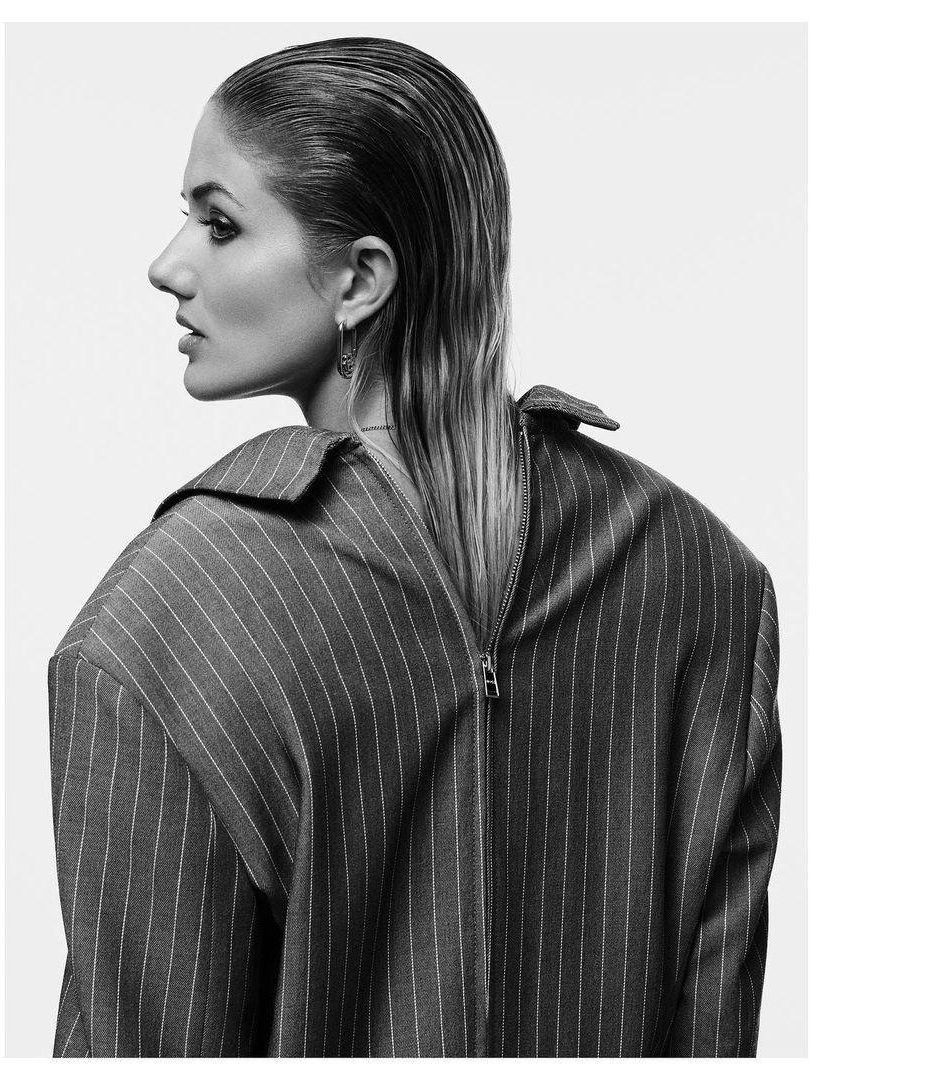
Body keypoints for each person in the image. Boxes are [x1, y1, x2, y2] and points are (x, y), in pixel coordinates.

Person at [47, 36, 782, 1058]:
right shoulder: (702, 577)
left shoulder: (173, 617)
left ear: (361, 279)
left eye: (218, 224)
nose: (168, 266)